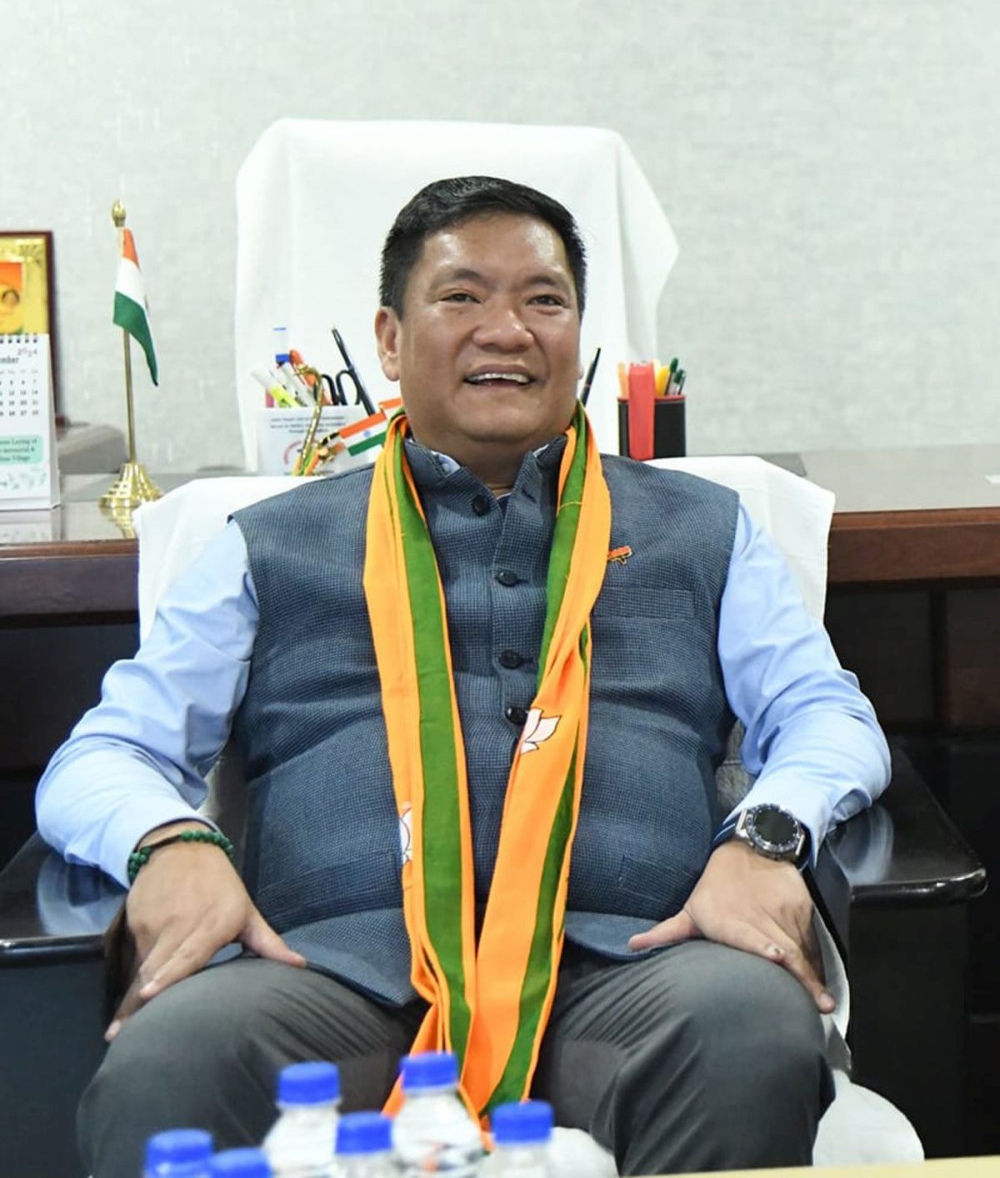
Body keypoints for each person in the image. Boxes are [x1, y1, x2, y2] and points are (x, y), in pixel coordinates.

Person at [37, 175, 890, 1177]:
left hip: (635, 966)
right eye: (461, 296)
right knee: (169, 1060)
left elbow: (826, 715)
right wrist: (170, 839)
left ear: (579, 332)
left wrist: (768, 833)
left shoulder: (703, 529)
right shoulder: (266, 544)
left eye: (544, 299)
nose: (508, 330)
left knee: (748, 1025)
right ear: (390, 339)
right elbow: (106, 751)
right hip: (334, 973)